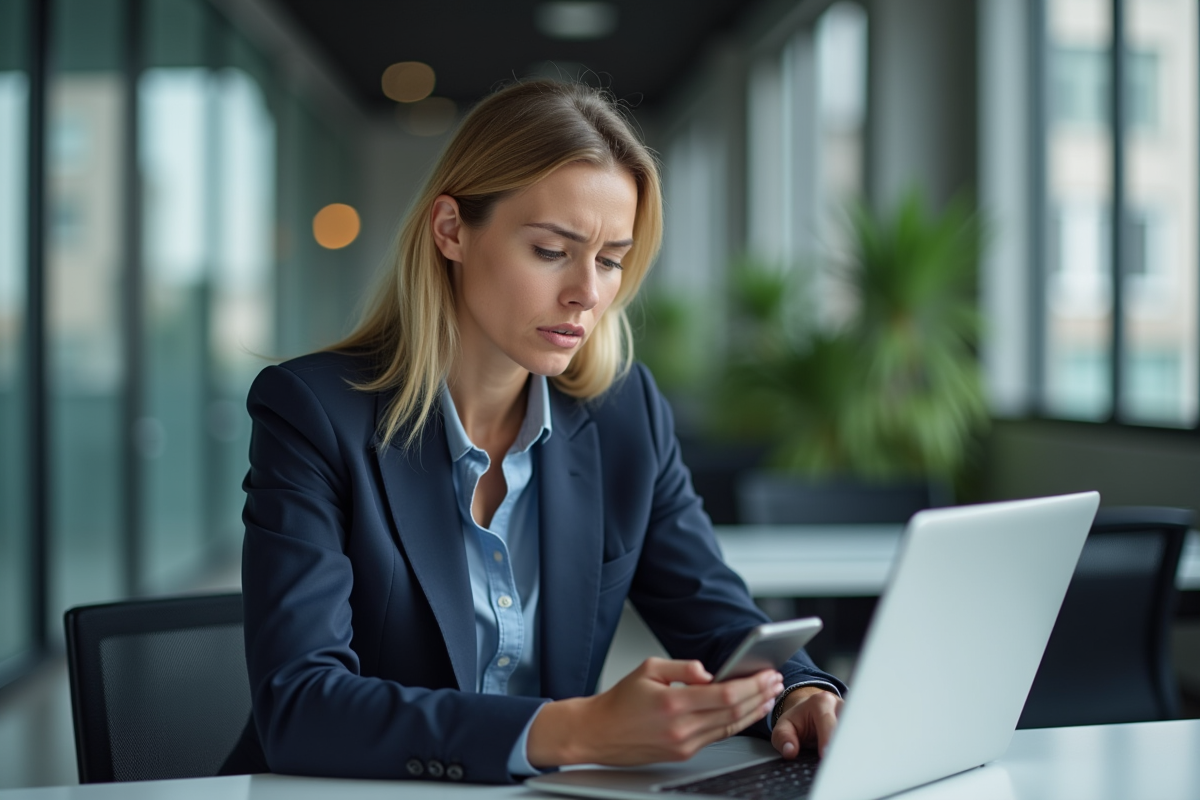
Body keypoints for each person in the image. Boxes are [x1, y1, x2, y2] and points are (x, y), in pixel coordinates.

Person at [240, 79, 846, 785]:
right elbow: (298, 706)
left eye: (611, 259)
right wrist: (573, 729)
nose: (587, 293)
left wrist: (800, 691)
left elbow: (713, 610)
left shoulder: (625, 416)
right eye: (551, 250)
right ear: (451, 231)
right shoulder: (313, 412)